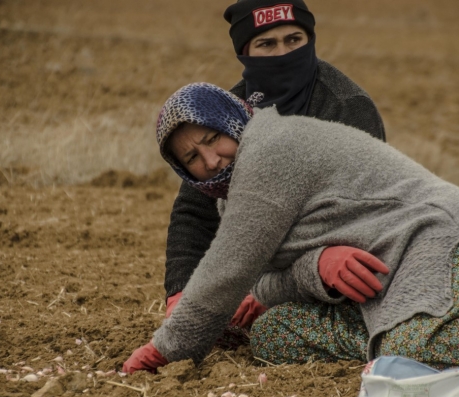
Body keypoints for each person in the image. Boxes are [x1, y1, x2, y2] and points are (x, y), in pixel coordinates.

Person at [124, 83, 459, 373]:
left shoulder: (270, 147)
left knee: (407, 349)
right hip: (384, 277)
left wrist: (166, 349)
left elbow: (228, 271)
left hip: (445, 241)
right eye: (192, 157)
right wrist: (316, 267)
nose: (210, 160)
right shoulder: (231, 195)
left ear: (231, 120)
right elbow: (263, 279)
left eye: (212, 138)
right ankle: (389, 341)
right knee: (273, 332)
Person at [163, 0, 386, 331]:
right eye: (267, 44)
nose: (283, 53)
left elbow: (361, 220)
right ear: (245, 52)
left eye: (293, 40)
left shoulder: (345, 107)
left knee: (273, 331)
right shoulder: (227, 110)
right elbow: (195, 212)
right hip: (261, 264)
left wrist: (269, 292)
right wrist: (180, 293)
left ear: (309, 39)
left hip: (338, 269)